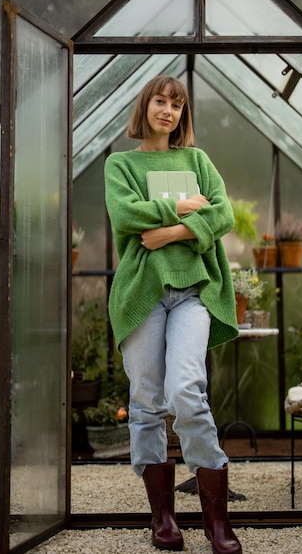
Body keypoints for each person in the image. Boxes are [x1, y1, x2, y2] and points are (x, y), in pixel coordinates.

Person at [104, 75, 241, 554]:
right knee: (145, 402)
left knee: (185, 388)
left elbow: (222, 214)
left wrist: (170, 233)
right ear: (145, 107)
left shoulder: (197, 159)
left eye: (177, 105)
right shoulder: (120, 164)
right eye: (160, 102)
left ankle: (216, 522)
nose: (168, 111)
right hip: (141, 293)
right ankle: (163, 518)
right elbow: (124, 216)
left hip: (192, 292)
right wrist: (183, 206)